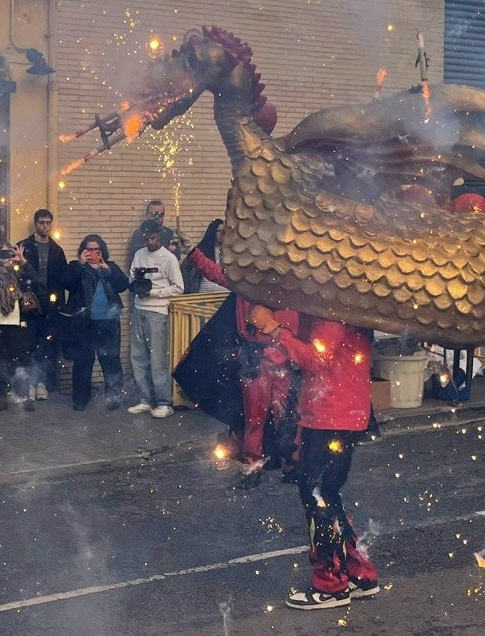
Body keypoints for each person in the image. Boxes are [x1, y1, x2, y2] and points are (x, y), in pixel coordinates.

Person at [248, 307, 380, 610]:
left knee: (317, 494)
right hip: (335, 414)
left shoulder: (332, 311)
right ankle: (359, 573)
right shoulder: (334, 305)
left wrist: (275, 331)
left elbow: (315, 360)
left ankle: (331, 585)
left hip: (333, 416)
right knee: (326, 494)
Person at [185, 222, 299, 476]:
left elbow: (292, 323)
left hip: (280, 358)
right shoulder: (245, 282)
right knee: (254, 417)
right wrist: (193, 252)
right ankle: (253, 465)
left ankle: (288, 462)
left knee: (284, 415)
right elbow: (214, 272)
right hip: (254, 358)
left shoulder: (287, 288)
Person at [62, 235, 128, 411]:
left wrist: (108, 270)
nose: (92, 253)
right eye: (88, 249)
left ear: (102, 251)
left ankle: (114, 397)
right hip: (84, 321)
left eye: (96, 249)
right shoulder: (76, 267)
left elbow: (123, 285)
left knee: (111, 359)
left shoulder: (110, 266)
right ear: (83, 251)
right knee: (83, 360)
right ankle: (81, 399)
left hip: (109, 321)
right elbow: (66, 283)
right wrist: (80, 265)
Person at [128, 219, 184, 419]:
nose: (149, 242)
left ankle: (163, 402)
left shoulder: (169, 258)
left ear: (159, 236)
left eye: (153, 238)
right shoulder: (139, 254)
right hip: (138, 310)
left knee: (157, 359)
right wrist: (138, 287)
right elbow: (131, 278)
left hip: (158, 312)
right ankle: (145, 400)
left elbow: (178, 288)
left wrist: (153, 293)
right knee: (138, 357)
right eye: (146, 238)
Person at [0, 244, 36, 411]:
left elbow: (38, 283)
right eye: (1, 254)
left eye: (8, 253)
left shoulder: (19, 272)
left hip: (16, 322)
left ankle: (24, 395)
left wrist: (23, 262)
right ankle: (2, 395)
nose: (5, 258)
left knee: (21, 361)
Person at [17, 209, 67, 400]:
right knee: (29, 343)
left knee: (45, 345)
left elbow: (61, 280)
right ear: (35, 223)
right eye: (41, 223)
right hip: (29, 304)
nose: (45, 226)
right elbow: (16, 276)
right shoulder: (24, 247)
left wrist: (60, 306)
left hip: (50, 305)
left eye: (48, 223)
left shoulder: (57, 250)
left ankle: (41, 383)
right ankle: (29, 383)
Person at [127, 200, 181, 265]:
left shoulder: (169, 233)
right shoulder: (139, 233)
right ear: (147, 215)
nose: (157, 217)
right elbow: (137, 256)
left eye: (160, 214)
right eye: (153, 214)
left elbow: (177, 257)